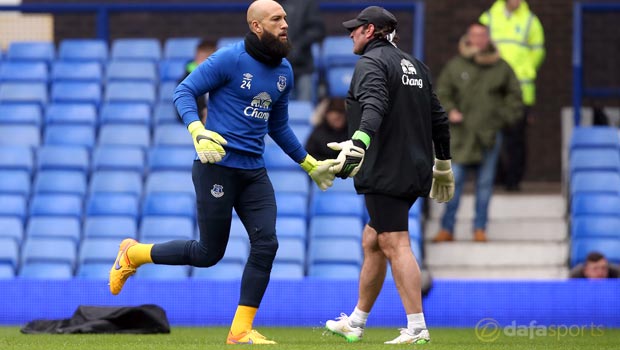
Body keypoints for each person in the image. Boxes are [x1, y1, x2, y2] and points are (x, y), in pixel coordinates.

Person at [109, 0, 339, 344]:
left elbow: (279, 127)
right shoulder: (229, 59)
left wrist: (308, 163)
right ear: (256, 26)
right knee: (208, 254)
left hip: (254, 173)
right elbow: (184, 90)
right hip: (216, 168)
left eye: (286, 18)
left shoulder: (285, 72)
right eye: (276, 19)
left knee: (267, 244)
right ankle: (134, 253)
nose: (285, 24)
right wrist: (196, 130)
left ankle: (240, 330)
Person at [323, 6, 453, 345]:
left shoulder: (371, 63)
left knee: (395, 242)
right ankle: (356, 320)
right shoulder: (416, 65)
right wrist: (443, 164)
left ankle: (417, 327)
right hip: (416, 167)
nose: (350, 34)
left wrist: (359, 142)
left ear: (369, 31)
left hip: (387, 168)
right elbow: (438, 118)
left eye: (354, 29)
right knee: (373, 239)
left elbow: (374, 105)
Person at [431, 23, 523, 243]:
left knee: (484, 185)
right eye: (474, 35)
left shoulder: (501, 67)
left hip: (489, 137)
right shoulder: (455, 66)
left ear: (488, 38)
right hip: (460, 137)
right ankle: (447, 228)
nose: (478, 39)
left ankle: (479, 229)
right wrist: (450, 111)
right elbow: (441, 93)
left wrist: (499, 119)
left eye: (482, 35)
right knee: (454, 182)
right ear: (468, 38)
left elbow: (515, 99)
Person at [479, 0, 545, 191]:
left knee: (516, 139)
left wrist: (526, 69)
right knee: (490, 136)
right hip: (492, 90)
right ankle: (497, 178)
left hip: (521, 91)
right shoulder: (489, 17)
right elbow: (478, 43)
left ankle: (513, 180)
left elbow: (538, 51)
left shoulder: (530, 20)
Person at [276, 0, 325, 102]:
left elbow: (317, 30)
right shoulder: (266, 4)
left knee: (305, 110)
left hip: (302, 65)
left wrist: (297, 46)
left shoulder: (306, 2)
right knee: (278, 112)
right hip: (276, 68)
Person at [178, 38, 217, 124]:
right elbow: (181, 112)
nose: (200, 63)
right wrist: (201, 117)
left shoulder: (226, 78)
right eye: (199, 58)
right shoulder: (185, 82)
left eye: (205, 58)